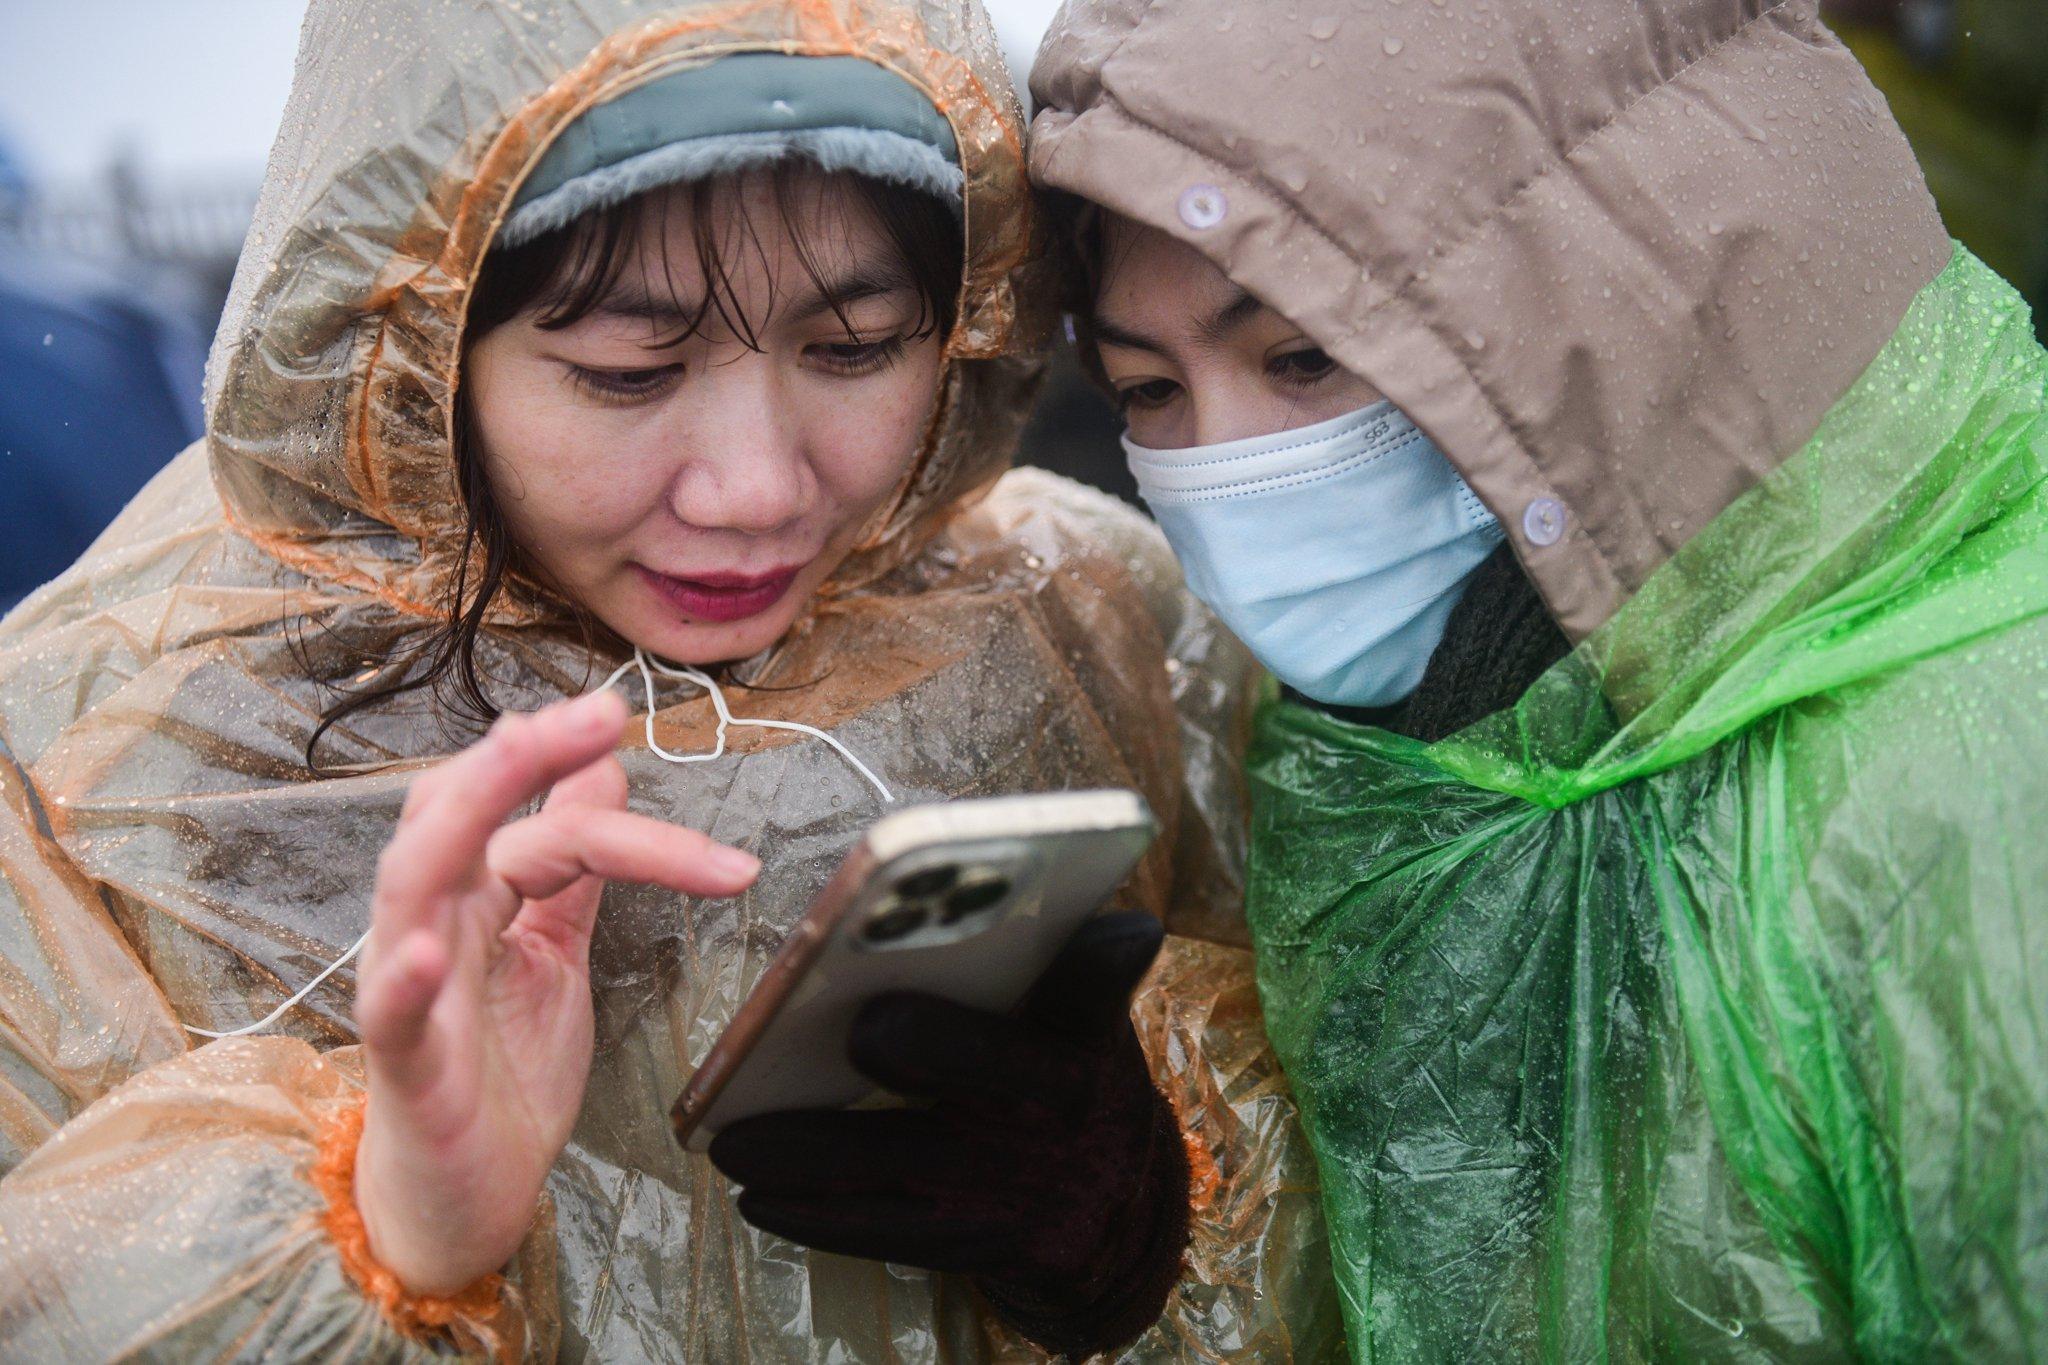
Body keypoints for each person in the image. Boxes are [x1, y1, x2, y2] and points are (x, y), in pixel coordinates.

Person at [0, 1, 1341, 1359]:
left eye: (856, 346)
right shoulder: (101, 758)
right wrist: (392, 1228)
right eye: (627, 374)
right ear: (413, 336)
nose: (757, 486)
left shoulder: (1092, 620)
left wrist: (1151, 1235)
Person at [1030, 0, 2048, 1356]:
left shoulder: (1958, 789)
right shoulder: (1385, 748)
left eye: (1304, 356)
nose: (1230, 465)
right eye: (1149, 389)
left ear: (1580, 300)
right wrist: (1138, 1240)